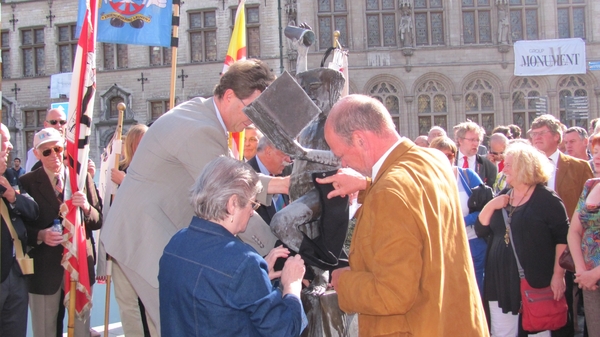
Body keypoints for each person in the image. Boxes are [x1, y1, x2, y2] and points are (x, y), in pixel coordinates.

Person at [100, 59, 286, 333]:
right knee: (175, 325)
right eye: (251, 108)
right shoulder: (202, 129)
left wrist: (283, 185)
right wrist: (276, 248)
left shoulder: (204, 115)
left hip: (155, 231)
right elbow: (231, 193)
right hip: (144, 236)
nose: (252, 119)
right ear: (229, 95)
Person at [320, 95, 488, 336]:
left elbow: (392, 294)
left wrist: (343, 282)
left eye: (341, 154)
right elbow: (415, 197)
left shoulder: (389, 193)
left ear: (360, 139)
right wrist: (367, 185)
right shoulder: (436, 159)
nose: (343, 162)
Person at [159, 156, 307, 336]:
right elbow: (284, 330)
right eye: (252, 204)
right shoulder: (243, 262)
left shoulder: (176, 242)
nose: (252, 212)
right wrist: (292, 285)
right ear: (232, 203)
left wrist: (259, 279)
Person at [476, 142, 568, 337]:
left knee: (539, 330)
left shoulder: (547, 200)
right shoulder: (504, 195)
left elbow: (562, 238)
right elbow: (480, 228)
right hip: (500, 280)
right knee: (502, 332)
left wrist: (558, 275)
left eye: (509, 164)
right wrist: (492, 204)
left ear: (524, 167)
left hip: (536, 279)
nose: (504, 168)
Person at [20, 128, 102, 337]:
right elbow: (18, 228)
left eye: (57, 149)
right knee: (45, 330)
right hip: (45, 271)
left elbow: (98, 219)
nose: (54, 155)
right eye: (46, 152)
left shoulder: (81, 178)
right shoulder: (27, 182)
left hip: (79, 267)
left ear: (64, 148)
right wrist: (40, 235)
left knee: (82, 331)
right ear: (37, 154)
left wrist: (85, 207)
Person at [529, 114, 592, 336]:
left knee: (571, 303)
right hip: (536, 245)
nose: (536, 138)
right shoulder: (526, 168)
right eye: (533, 134)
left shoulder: (579, 167)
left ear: (557, 137)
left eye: (541, 133)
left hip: (571, 244)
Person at [97, 123, 150, 337]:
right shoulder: (117, 170)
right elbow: (111, 209)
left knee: (150, 303)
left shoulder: (155, 170)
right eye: (140, 143)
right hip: (122, 245)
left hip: (146, 245)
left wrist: (125, 183)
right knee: (127, 304)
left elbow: (149, 202)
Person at [430, 136, 487, 294]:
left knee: (475, 291)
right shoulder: (425, 180)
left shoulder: (467, 176)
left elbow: (487, 207)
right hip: (442, 246)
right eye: (441, 155)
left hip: (473, 243)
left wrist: (462, 221)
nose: (446, 159)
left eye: (450, 155)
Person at [0, 123, 39, 337]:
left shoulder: (10, 177)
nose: (10, 147)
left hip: (17, 272)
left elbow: (33, 210)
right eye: (4, 141)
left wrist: (12, 196)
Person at [567, 133, 600, 336]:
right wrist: (581, 272)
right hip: (589, 282)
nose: (596, 157)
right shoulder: (590, 185)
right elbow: (574, 231)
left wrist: (594, 275)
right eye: (595, 152)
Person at [247, 136, 291, 225]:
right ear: (269, 152)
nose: (289, 160)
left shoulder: (285, 171)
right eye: (285, 154)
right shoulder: (246, 176)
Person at [454, 121, 497, 188]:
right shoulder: (449, 160)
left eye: (478, 140)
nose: (476, 144)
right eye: (472, 140)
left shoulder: (488, 166)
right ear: (460, 141)